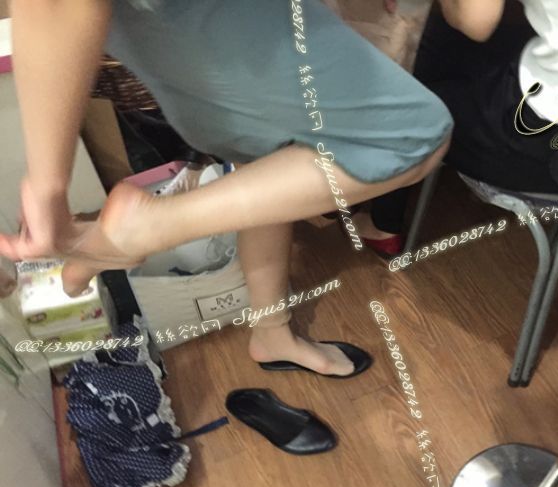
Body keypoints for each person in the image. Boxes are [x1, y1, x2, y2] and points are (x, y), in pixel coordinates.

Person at [0, 0, 452, 376]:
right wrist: (48, 183)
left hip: (185, 39)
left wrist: (47, 185)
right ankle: (146, 226)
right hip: (210, 24)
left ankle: (271, 333)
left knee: (268, 165)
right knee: (411, 138)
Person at [355, 0, 558, 255]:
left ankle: (382, 222)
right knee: (440, 37)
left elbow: (476, 24)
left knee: (417, 61)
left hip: (546, 149)